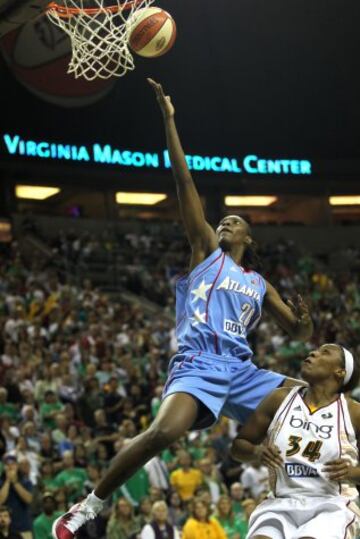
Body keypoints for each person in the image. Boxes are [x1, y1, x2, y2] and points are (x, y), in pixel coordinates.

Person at [52, 79, 313, 539]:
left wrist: (305, 321)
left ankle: (314, 485)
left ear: (248, 239)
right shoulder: (205, 253)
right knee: (165, 434)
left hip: (243, 370)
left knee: (311, 398)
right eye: (221, 220)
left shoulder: (258, 282)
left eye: (234, 221)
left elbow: (297, 335)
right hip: (198, 363)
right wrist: (169, 120)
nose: (224, 222)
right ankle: (87, 506)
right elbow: (184, 180)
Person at [231, 343, 360, 539]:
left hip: (332, 504)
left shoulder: (353, 412)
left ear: (340, 372)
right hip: (280, 502)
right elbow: (239, 446)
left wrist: (353, 472)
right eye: (316, 350)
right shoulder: (278, 399)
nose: (313, 352)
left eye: (325, 352)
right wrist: (256, 452)